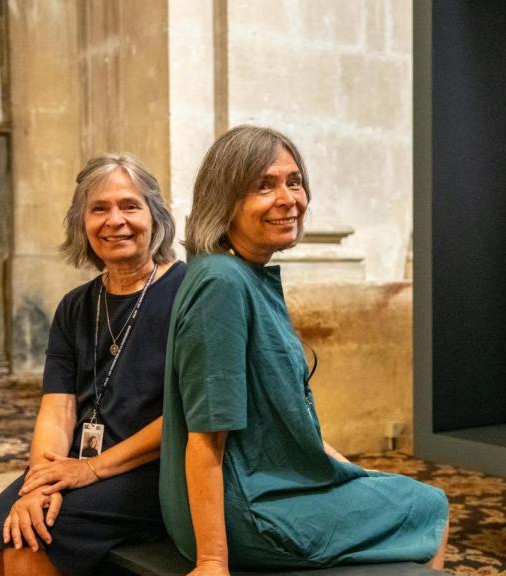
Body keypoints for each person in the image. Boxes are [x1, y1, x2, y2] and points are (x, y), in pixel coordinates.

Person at [160, 125, 449, 575]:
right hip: (249, 513)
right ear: (224, 200)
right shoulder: (221, 282)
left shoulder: (238, 274)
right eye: (263, 186)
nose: (288, 198)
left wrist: (345, 469)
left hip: (261, 492)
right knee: (428, 504)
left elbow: (282, 421)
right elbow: (206, 436)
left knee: (381, 486)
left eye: (293, 181)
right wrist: (213, 561)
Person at [0, 154, 187, 576]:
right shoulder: (76, 306)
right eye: (99, 209)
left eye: (130, 206)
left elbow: (188, 415)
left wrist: (89, 469)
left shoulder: (187, 291)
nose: (115, 220)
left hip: (152, 470)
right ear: (82, 224)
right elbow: (57, 411)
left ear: (156, 216)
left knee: (28, 551)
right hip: (71, 465)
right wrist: (41, 481)